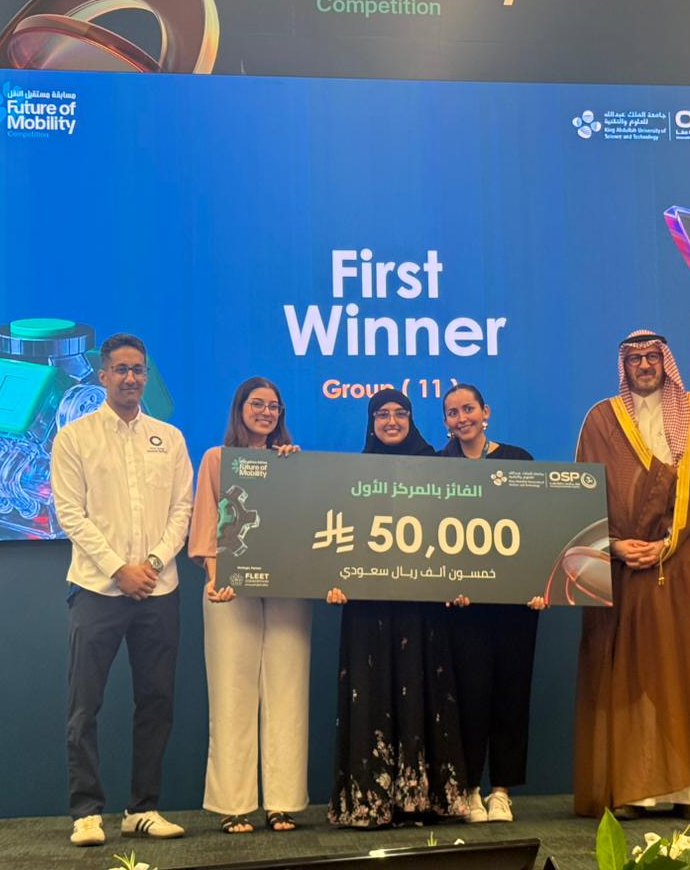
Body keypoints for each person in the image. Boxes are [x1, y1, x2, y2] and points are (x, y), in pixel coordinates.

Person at [573, 330, 690, 821]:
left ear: (665, 362)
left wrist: (672, 539)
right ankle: (634, 790)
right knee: (632, 677)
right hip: (626, 571)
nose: (645, 366)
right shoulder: (601, 419)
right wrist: (614, 545)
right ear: (623, 367)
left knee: (687, 672)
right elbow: (582, 495)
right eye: (635, 359)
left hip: (685, 566)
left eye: (652, 357)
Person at [51, 333, 194, 847]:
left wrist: (151, 564)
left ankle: (143, 809)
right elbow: (70, 514)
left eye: (138, 370)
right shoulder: (75, 437)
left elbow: (183, 509)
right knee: (84, 705)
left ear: (145, 376)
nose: (130, 378)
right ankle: (86, 813)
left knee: (156, 702)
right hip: (96, 589)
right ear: (103, 375)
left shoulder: (169, 438)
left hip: (159, 589)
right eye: (121, 369)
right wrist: (119, 569)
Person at [326, 388, 470, 828]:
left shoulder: (437, 468)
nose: (391, 421)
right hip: (367, 608)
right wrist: (332, 580)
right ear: (371, 422)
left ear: (411, 419)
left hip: (420, 607)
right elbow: (336, 533)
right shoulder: (352, 472)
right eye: (382, 414)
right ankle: (371, 801)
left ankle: (419, 801)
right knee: (370, 692)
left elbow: (454, 527)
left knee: (419, 686)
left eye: (400, 413)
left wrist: (457, 579)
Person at [187, 377, 310, 834]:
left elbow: (306, 525)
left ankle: (283, 802)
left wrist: (293, 471)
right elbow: (205, 524)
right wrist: (215, 579)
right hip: (228, 589)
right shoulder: (217, 459)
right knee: (231, 694)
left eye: (274, 406)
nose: (266, 412)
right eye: (257, 404)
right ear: (240, 408)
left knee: (288, 691)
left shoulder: (291, 462)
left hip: (287, 590)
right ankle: (233, 804)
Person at [438, 384, 544, 824]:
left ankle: (501, 791)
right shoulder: (437, 467)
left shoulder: (519, 461)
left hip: (515, 605)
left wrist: (540, 584)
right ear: (445, 422)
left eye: (468, 409)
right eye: (452, 412)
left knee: (511, 696)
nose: (461, 418)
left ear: (486, 412)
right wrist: (445, 583)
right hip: (463, 608)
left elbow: (538, 526)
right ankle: (469, 790)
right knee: (468, 698)